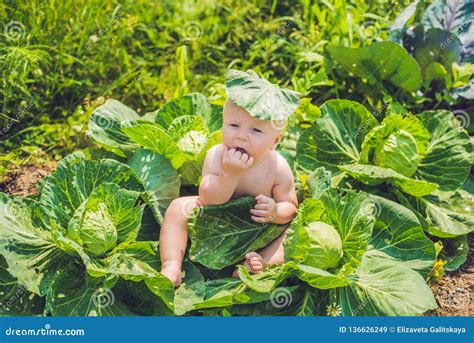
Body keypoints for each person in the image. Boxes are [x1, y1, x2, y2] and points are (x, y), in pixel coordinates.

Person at [160, 69, 300, 287]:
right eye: (234, 125)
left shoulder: (278, 167)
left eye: (255, 131)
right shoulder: (216, 155)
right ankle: (171, 264)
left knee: (295, 231)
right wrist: (229, 175)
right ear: (223, 124)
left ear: (275, 141)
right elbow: (208, 199)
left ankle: (262, 261)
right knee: (179, 208)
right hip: (216, 220)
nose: (241, 135)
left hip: (258, 229)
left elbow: (290, 207)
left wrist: (274, 211)